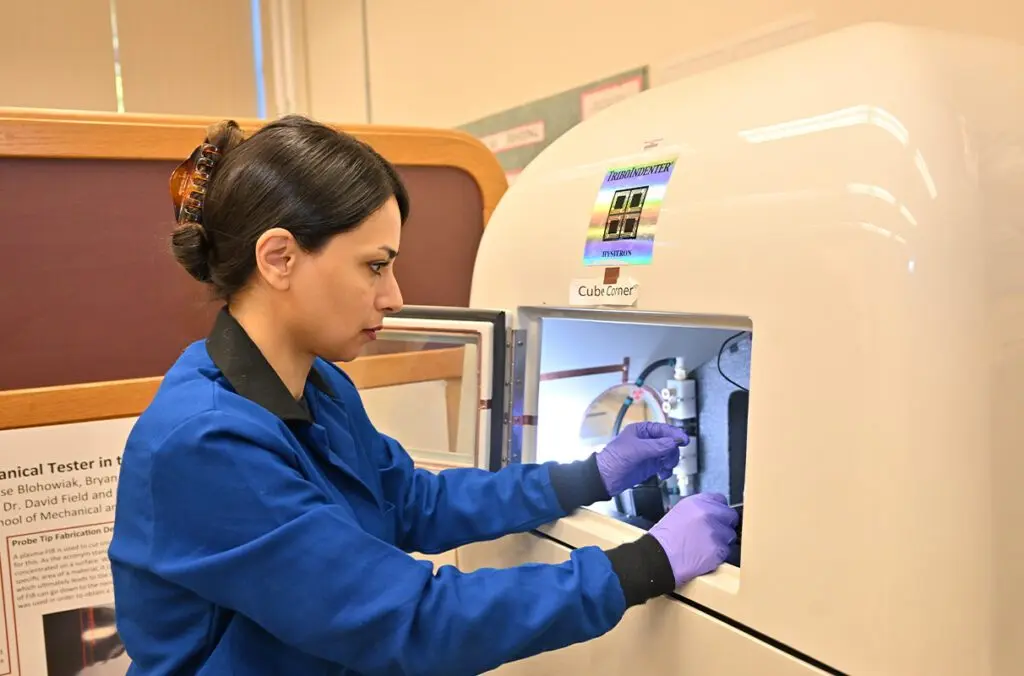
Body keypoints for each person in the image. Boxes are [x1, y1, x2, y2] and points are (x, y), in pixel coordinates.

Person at [107, 115, 738, 676]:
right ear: (279, 259)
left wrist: (590, 476)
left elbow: (411, 502)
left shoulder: (317, 386)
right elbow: (412, 623)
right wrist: (644, 565)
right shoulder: (205, 443)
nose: (394, 297)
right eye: (375, 266)